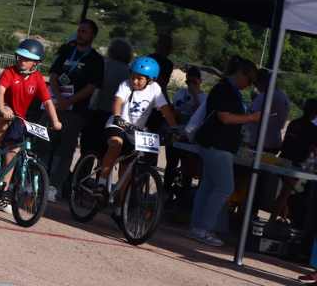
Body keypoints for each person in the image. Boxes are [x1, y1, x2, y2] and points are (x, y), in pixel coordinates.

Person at [189, 57, 260, 248]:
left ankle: (198, 226)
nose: (249, 84)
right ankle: (203, 227)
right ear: (241, 74)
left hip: (215, 144)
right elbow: (225, 117)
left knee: (209, 186)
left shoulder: (227, 89)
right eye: (249, 79)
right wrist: (251, 118)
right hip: (217, 145)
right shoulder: (225, 90)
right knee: (224, 188)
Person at [0, 39, 62, 205]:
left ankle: (2, 192)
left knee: (14, 149)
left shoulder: (38, 79)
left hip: (19, 115)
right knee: (5, 120)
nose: (21, 61)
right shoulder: (9, 72)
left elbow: (48, 101)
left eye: (26, 59)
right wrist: (1, 108)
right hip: (1, 107)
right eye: (20, 57)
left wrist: (55, 121)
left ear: (36, 63)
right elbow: (0, 91)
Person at [89, 56, 178, 197]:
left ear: (150, 80)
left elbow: (165, 109)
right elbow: (118, 101)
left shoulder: (155, 89)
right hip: (118, 124)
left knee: (127, 169)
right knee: (116, 144)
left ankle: (119, 206)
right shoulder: (125, 84)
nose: (135, 81)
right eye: (133, 76)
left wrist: (174, 128)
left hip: (136, 131)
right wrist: (117, 116)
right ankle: (101, 184)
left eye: (140, 78)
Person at [44, 19, 105, 202]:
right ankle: (38, 179)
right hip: (56, 105)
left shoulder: (96, 59)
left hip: (76, 111)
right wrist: (59, 98)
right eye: (79, 30)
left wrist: (70, 100)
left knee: (65, 150)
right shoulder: (66, 51)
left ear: (92, 36)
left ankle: (54, 186)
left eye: (84, 31)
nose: (80, 34)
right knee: (46, 145)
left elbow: (92, 86)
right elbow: (54, 75)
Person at [270, 99, 317, 224]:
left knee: (285, 193)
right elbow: (314, 149)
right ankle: (271, 222)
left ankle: (283, 218)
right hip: (295, 164)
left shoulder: (294, 123)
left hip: (283, 160)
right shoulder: (313, 129)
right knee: (284, 195)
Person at [164, 66, 205, 196]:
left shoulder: (205, 98)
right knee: (171, 164)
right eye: (188, 82)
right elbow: (174, 111)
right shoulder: (180, 93)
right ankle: (166, 191)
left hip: (191, 136)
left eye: (194, 82)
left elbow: (201, 115)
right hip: (177, 130)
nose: (191, 85)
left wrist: (195, 95)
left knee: (188, 168)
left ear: (200, 81)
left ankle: (183, 194)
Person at [246, 69, 291, 153]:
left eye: (255, 83)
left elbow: (252, 117)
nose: (256, 87)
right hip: (274, 142)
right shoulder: (283, 96)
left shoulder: (264, 96)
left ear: (262, 82)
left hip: (260, 143)